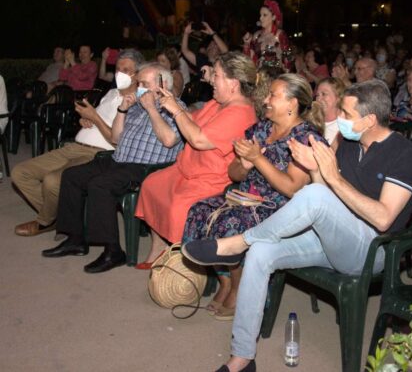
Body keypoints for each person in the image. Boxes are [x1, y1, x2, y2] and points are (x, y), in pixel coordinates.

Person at [182, 80, 412, 372]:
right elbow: (323, 200)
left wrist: (331, 178)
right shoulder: (348, 144)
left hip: (372, 249)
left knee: (311, 197)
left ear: (370, 119)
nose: (339, 120)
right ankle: (241, 358)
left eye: (346, 114)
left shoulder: (404, 154)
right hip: (331, 238)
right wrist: (315, 170)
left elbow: (383, 218)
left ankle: (239, 242)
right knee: (261, 253)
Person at [182, 74, 326, 320]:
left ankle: (240, 289)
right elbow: (234, 173)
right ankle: (226, 281)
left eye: (274, 95)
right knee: (200, 210)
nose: (266, 100)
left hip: (280, 208)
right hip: (244, 197)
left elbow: (291, 189)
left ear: (292, 103)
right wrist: (246, 166)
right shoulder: (261, 128)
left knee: (229, 222)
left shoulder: (305, 138)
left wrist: (258, 159)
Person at [41, 63, 185, 274]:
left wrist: (152, 110)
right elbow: (116, 139)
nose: (139, 88)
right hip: (117, 159)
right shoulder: (136, 105)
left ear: (163, 85)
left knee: (100, 185)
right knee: (72, 175)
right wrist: (123, 109)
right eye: (139, 83)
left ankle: (113, 250)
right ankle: (75, 239)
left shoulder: (175, 107)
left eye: (144, 83)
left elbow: (169, 140)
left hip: (145, 168)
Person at [134, 52, 258, 269]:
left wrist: (175, 110)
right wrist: (172, 103)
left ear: (233, 83)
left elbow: (199, 139)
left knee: (178, 207)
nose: (211, 80)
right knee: (151, 185)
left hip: (210, 180)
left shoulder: (240, 112)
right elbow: (193, 121)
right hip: (186, 169)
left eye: (216, 75)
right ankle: (158, 248)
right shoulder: (219, 103)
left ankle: (180, 265)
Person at [12, 49, 144, 237]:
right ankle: (60, 215)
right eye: (117, 68)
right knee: (20, 173)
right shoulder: (111, 93)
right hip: (74, 146)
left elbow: (119, 142)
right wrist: (86, 121)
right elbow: (99, 120)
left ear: (137, 74)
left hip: (98, 155)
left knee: (52, 181)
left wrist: (95, 118)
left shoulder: (138, 102)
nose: (119, 73)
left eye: (126, 69)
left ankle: (44, 221)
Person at [243, 0, 290, 71]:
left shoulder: (280, 34)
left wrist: (285, 78)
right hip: (259, 77)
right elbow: (249, 60)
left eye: (264, 15)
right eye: (260, 15)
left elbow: (288, 59)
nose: (260, 18)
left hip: (275, 77)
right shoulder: (256, 35)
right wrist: (247, 44)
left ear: (273, 17)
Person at [315, 77, 346, 145]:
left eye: (324, 94)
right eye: (317, 95)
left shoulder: (346, 127)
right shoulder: (313, 123)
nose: (319, 99)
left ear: (338, 97)